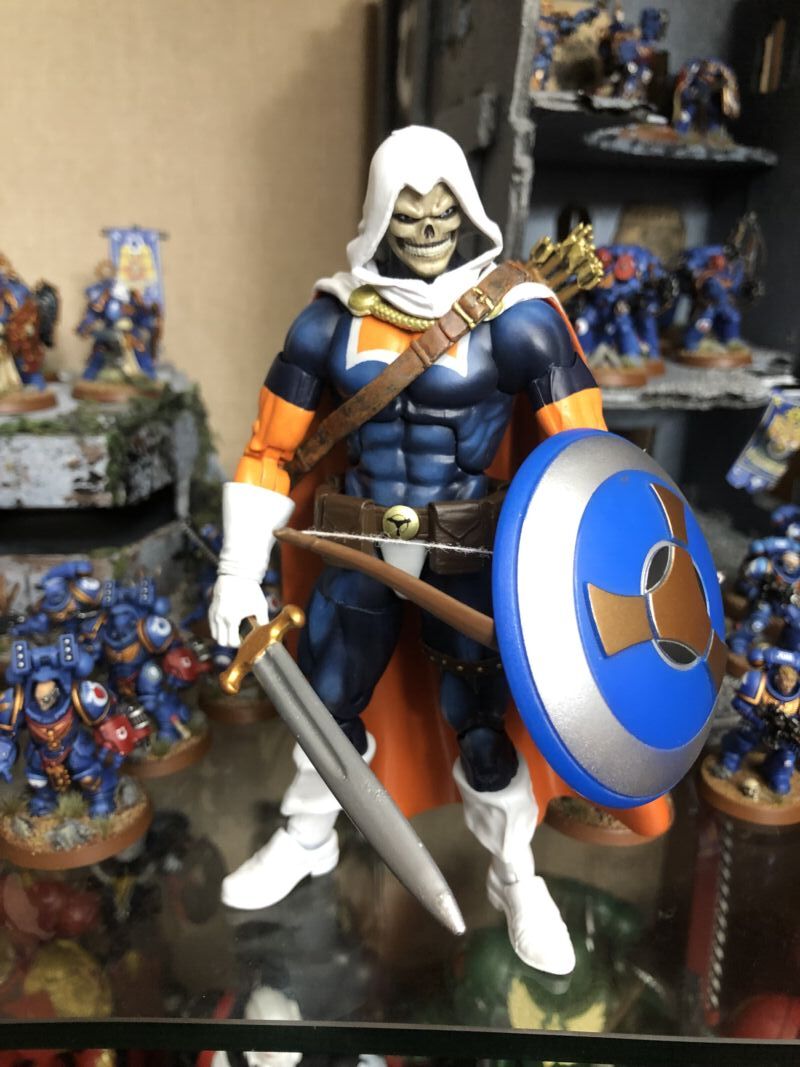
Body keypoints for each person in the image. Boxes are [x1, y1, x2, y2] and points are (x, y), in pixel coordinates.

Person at [210, 125, 607, 975]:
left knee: (483, 728)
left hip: (466, 552)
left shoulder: (518, 320)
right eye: (408, 212)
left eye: (441, 212)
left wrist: (589, 581)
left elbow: (588, 461)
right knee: (324, 707)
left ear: (466, 211)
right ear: (379, 214)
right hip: (359, 546)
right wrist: (237, 568)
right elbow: (269, 448)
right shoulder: (329, 321)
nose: (426, 229)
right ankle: (307, 836)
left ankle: (515, 876)